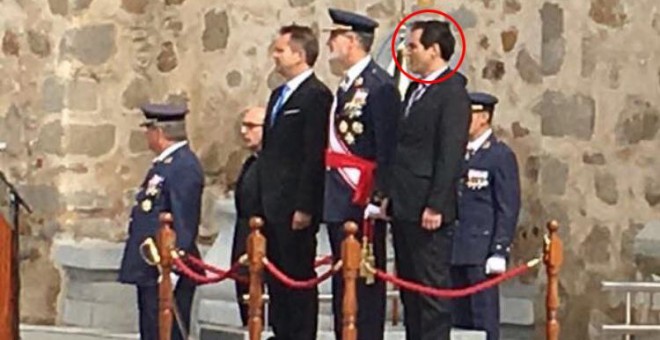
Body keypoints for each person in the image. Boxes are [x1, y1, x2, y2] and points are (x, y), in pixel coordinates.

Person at [389, 20, 471, 340]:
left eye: (413, 47)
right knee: (410, 289)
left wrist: (436, 203)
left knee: (431, 292)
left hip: (428, 208)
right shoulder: (415, 89)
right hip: (406, 203)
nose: (407, 53)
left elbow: (449, 153)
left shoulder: (452, 93)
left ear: (434, 50)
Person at [322, 8, 400, 340]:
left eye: (334, 35)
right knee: (343, 279)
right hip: (339, 193)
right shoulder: (347, 85)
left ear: (352, 40)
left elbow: (387, 147)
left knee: (364, 281)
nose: (330, 42)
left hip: (360, 195)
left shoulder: (378, 86)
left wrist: (379, 196)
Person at [258, 24, 333, 340]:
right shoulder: (278, 94)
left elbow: (313, 155)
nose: (274, 56)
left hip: (294, 205)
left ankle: (300, 334)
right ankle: (281, 331)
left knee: (297, 274)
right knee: (275, 277)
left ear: (299, 55)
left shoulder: (315, 96)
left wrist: (305, 205)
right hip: (271, 203)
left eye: (280, 50)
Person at [118, 103, 204, 340]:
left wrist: (174, 268)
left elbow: (184, 220)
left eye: (148, 130)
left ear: (159, 132)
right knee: (151, 330)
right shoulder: (166, 165)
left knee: (166, 332)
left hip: (165, 267)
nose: (147, 136)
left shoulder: (183, 166)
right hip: (152, 264)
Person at [450, 92, 521, 340]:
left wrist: (500, 249)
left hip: (481, 251)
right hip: (456, 248)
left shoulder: (499, 156)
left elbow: (507, 206)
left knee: (483, 320)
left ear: (483, 117)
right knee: (458, 322)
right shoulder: (458, 153)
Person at [231, 106, 266, 326]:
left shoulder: (270, 164)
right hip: (244, 237)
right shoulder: (251, 162)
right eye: (243, 126)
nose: (245, 131)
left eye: (251, 126)